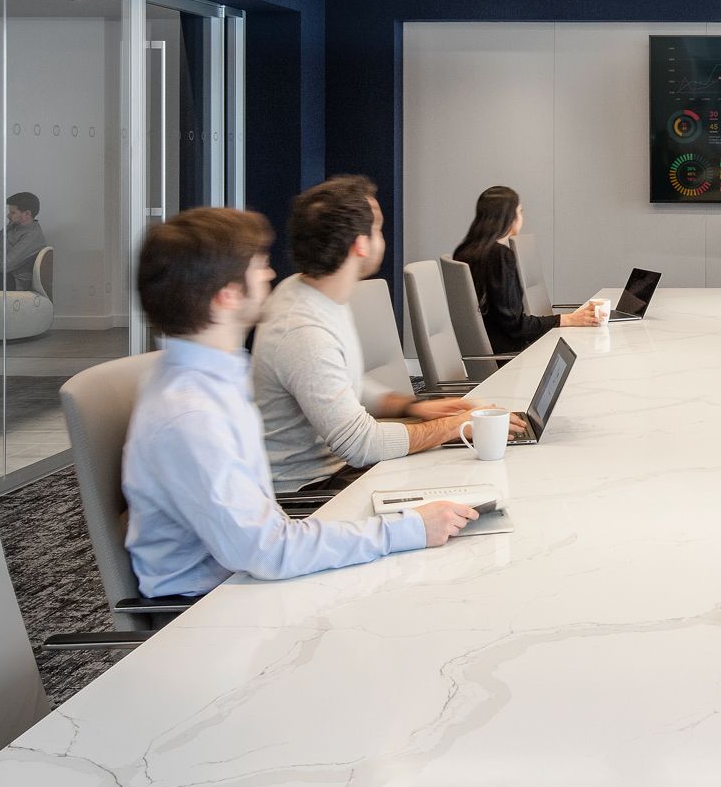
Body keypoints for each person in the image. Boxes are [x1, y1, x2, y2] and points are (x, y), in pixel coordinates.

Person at [121, 205, 479, 600]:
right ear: (226, 296)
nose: (270, 273)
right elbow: (266, 550)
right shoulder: (193, 415)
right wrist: (408, 528)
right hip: (215, 605)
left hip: (252, 570)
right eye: (257, 266)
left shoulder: (214, 375)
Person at [253, 176, 493, 501]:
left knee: (469, 476)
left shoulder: (313, 291)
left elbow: (345, 384)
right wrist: (455, 427)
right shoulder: (302, 329)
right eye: (378, 229)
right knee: (467, 490)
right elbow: (359, 445)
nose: (383, 237)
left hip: (341, 473)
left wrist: (413, 406)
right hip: (314, 493)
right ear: (360, 244)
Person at [449, 185, 600, 356]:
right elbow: (516, 326)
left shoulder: (464, 251)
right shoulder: (499, 256)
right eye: (520, 211)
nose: (522, 217)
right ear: (509, 217)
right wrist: (568, 319)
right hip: (511, 356)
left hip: (490, 350)